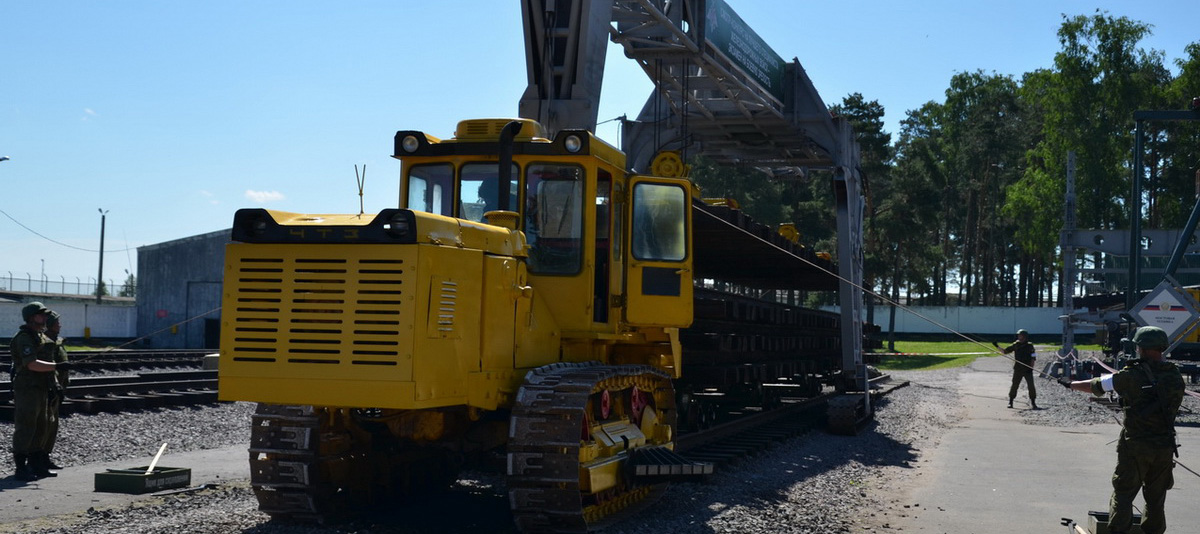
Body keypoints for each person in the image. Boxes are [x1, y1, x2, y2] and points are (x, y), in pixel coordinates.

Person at [1060, 326, 1185, 534]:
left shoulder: (1132, 375)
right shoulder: (1174, 375)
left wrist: (1070, 384)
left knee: (1124, 494)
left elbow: (1097, 386)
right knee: (1156, 498)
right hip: (1164, 447)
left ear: (1141, 348)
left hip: (1136, 446)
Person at [9, 301, 70, 481]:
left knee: (42, 426)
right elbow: (32, 364)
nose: (44, 318)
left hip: (42, 387)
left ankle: (37, 464)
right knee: (26, 426)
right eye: (41, 315)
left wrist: (55, 385)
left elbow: (46, 361)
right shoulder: (24, 337)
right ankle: (21, 468)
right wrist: (57, 366)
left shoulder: (41, 337)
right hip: (27, 388)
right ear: (31, 318)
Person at [40, 310, 70, 471]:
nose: (60, 325)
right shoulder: (45, 343)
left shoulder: (57, 342)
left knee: (53, 424)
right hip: (49, 388)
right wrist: (55, 386)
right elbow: (50, 368)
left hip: (58, 388)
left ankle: (46, 456)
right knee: (45, 424)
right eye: (57, 322)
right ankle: (38, 459)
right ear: (50, 325)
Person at [995, 329, 1037, 409]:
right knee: (1014, 385)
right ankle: (1011, 401)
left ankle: (1033, 402)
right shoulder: (1016, 345)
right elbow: (1005, 351)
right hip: (1018, 369)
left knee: (1031, 386)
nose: (1019, 337)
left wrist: (1031, 367)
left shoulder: (1030, 345)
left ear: (1025, 337)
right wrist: (997, 346)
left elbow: (1033, 356)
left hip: (1027, 369)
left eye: (1020, 335)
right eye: (1018, 335)